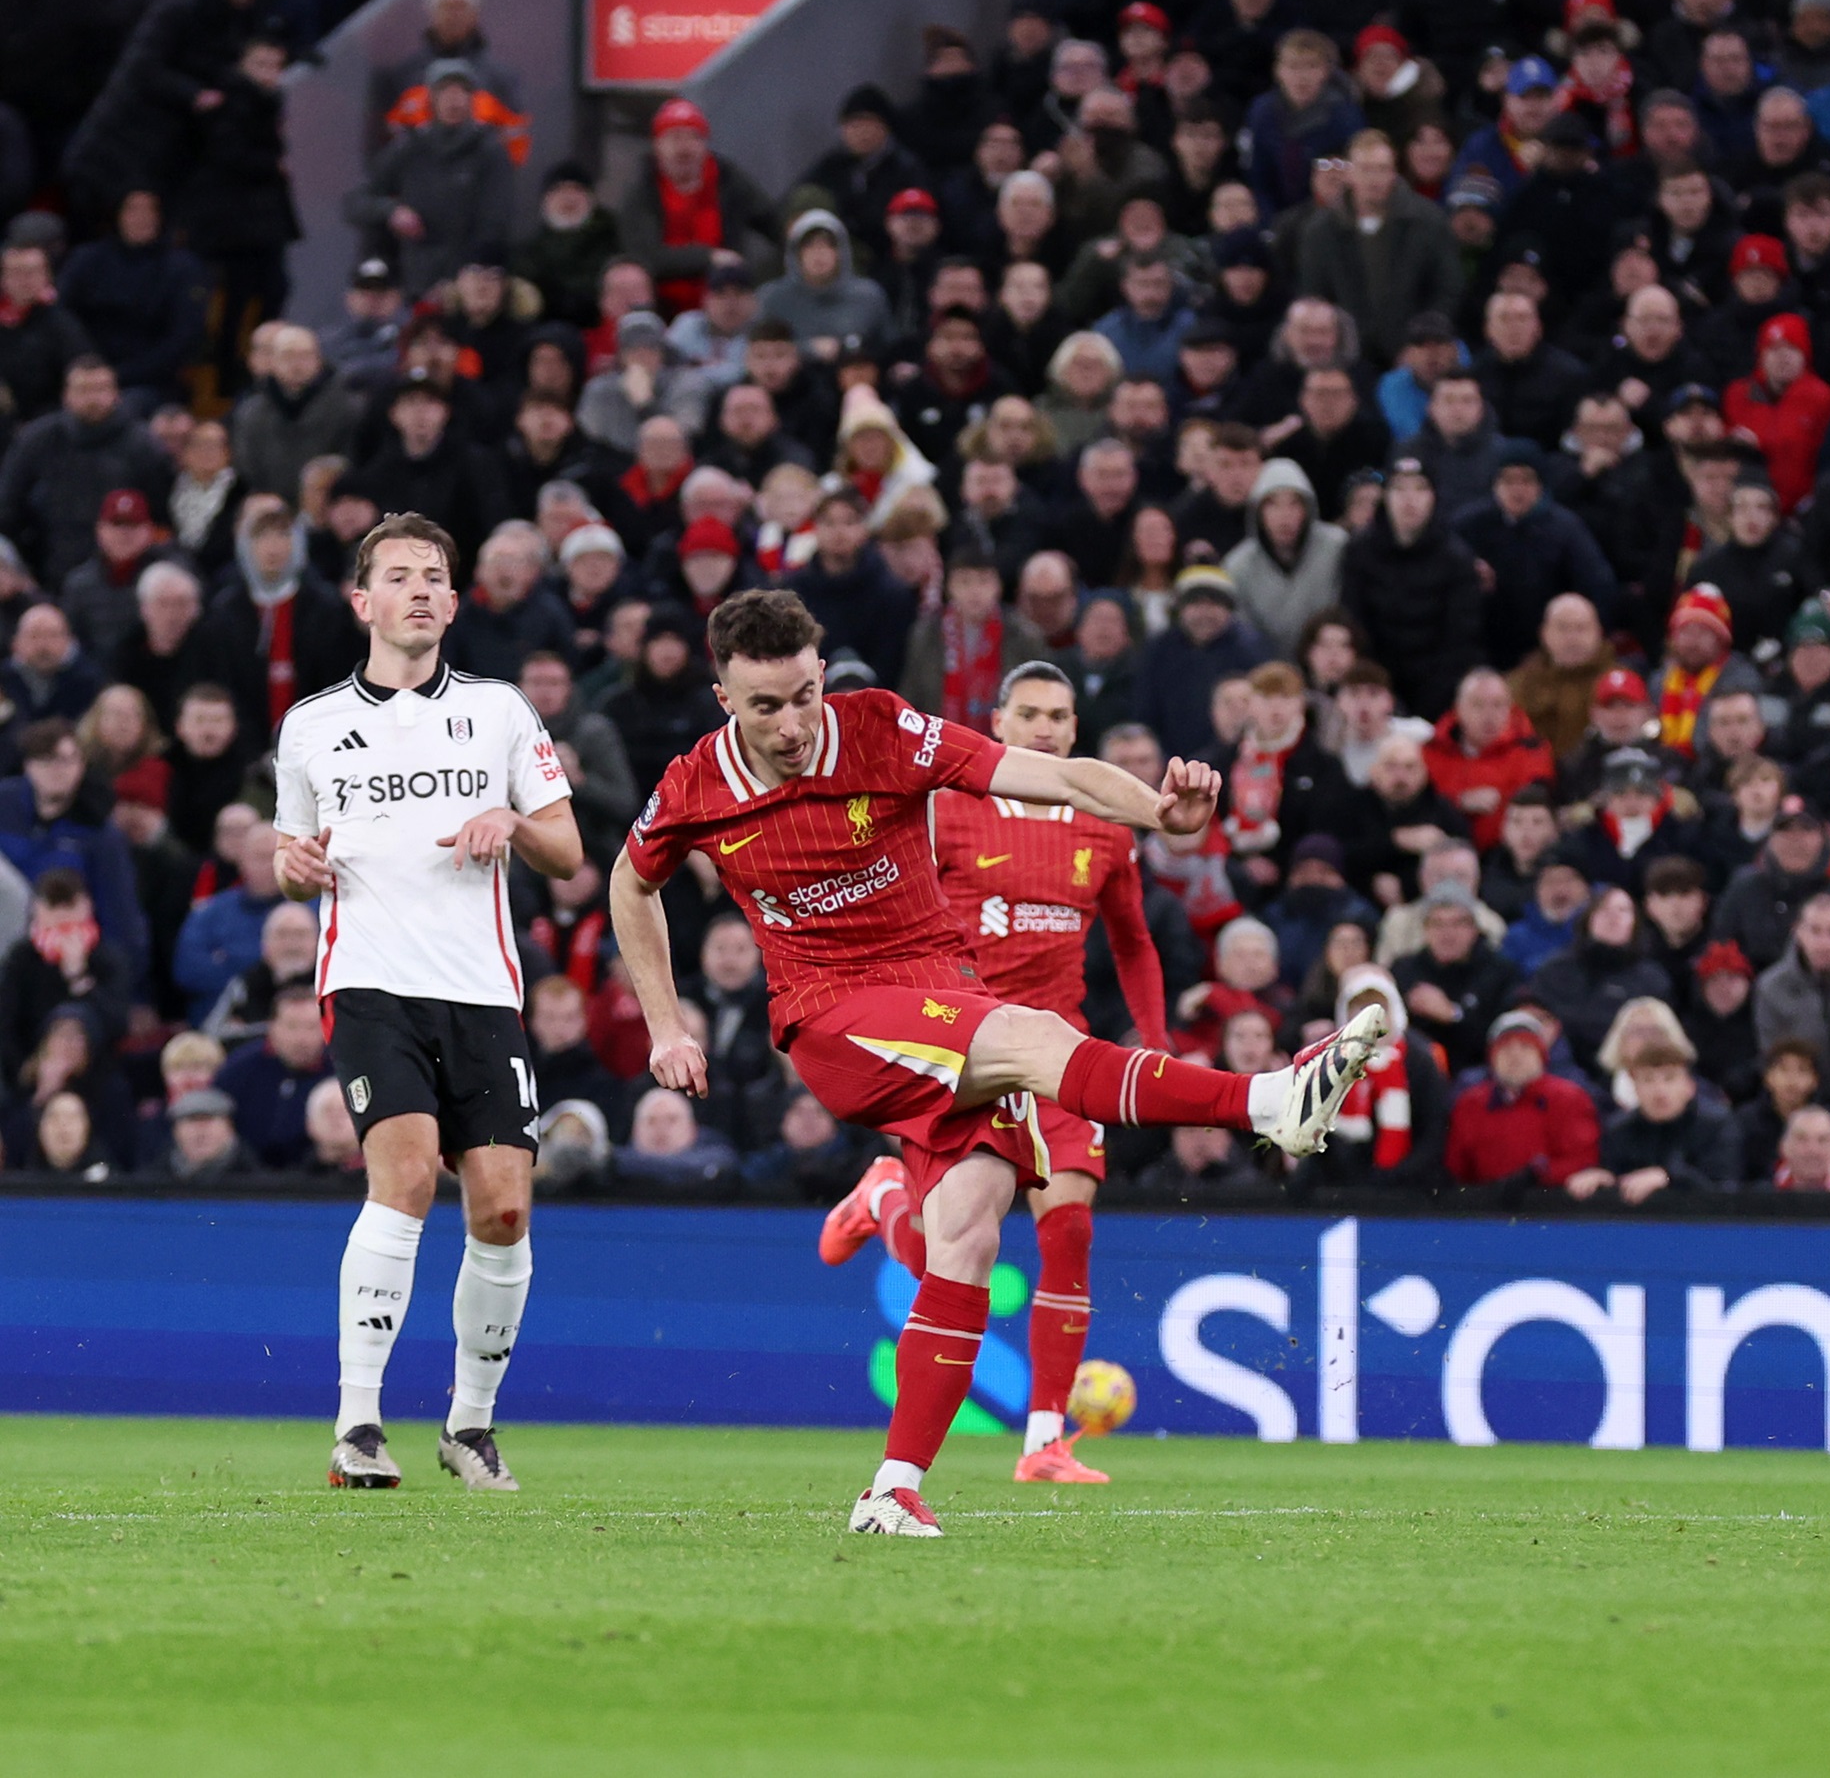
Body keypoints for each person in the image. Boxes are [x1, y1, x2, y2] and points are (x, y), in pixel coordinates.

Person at [608, 589, 1389, 1537]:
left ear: (822, 675)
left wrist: (1160, 812)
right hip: (832, 1013)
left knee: (970, 1232)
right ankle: (1270, 1102)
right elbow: (629, 878)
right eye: (763, 705)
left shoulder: (882, 726)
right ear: (724, 695)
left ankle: (893, 1486)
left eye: (804, 695)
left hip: (943, 987)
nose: (792, 723)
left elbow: (1053, 778)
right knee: (1035, 1039)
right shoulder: (697, 782)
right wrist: (667, 1023)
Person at [270, 513, 582, 1493]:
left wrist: (512, 820)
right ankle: (357, 1422)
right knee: (403, 1179)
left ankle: (469, 1426)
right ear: (361, 601)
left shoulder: (500, 712)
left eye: (433, 577)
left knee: (501, 1206)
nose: (417, 589)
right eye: (396, 575)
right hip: (368, 981)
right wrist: (293, 864)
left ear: (453, 602)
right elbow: (290, 859)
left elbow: (570, 851)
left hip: (481, 989)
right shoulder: (312, 724)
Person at [819, 661, 1176, 1487]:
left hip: (1058, 1054)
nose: (1045, 727)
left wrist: (1153, 1041)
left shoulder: (1104, 828)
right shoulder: (947, 812)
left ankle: (1045, 1440)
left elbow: (1132, 940)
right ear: (999, 724)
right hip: (962, 1054)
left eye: (1060, 714)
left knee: (1071, 1225)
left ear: (1075, 729)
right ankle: (883, 1197)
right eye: (1030, 714)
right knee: (954, 1250)